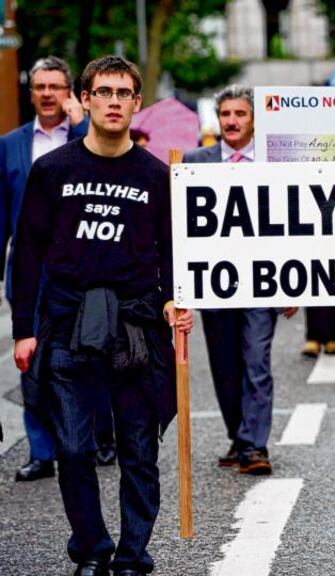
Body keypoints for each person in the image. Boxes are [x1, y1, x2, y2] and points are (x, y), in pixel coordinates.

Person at [11, 55, 192, 576]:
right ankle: (91, 548)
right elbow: (27, 253)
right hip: (67, 321)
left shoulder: (158, 177)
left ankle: (133, 555)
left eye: (124, 93)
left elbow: (173, 251)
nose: (114, 101)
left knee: (138, 449)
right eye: (104, 92)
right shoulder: (53, 171)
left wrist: (175, 299)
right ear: (84, 99)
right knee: (71, 447)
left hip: (136, 326)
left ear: (137, 104)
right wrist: (24, 329)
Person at [183, 85, 296, 474]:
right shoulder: (195, 161)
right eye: (226, 114)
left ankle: (255, 445)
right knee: (224, 365)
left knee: (256, 361)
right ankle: (239, 435)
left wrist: (293, 282)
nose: (231, 121)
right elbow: (183, 227)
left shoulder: (275, 162)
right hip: (215, 282)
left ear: (254, 120)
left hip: (263, 282)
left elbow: (292, 223)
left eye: (240, 114)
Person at [0, 55, 100, 482]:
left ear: (70, 94)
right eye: (40, 87)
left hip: (82, 269)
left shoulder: (86, 136)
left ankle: (89, 439)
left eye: (55, 87)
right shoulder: (10, 145)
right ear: (31, 92)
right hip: (28, 270)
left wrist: (80, 126)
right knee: (30, 359)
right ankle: (41, 450)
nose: (46, 94)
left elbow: (103, 167)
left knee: (88, 355)